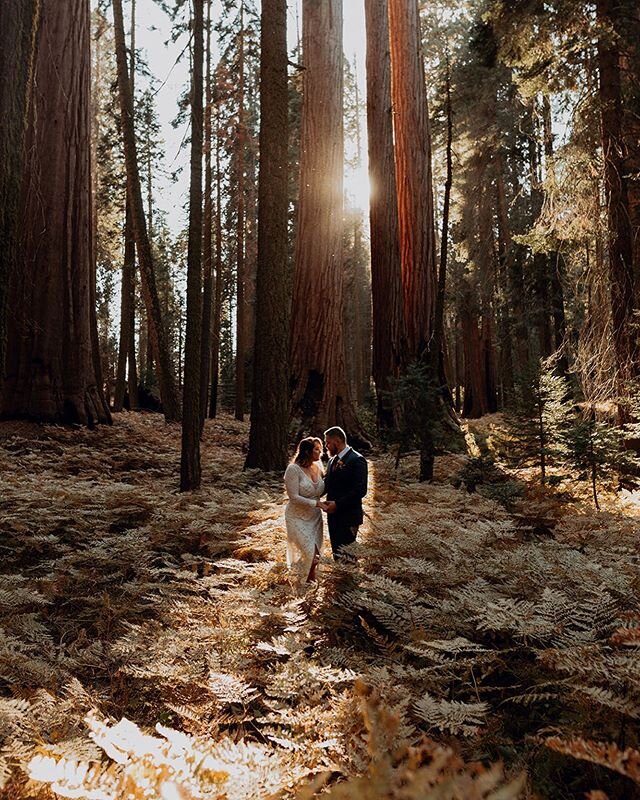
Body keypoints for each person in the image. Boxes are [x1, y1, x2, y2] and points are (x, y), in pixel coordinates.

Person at [283, 437, 325, 583]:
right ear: (307, 451)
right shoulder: (293, 469)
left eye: (321, 449)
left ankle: (309, 586)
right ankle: (303, 587)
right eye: (317, 449)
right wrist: (317, 504)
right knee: (310, 554)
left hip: (315, 518)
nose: (321, 452)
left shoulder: (318, 467)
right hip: (297, 517)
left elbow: (321, 490)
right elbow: (293, 497)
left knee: (316, 556)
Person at [323, 426, 368, 559]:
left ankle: (350, 579)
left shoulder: (357, 460)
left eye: (328, 442)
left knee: (348, 556)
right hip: (333, 516)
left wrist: (338, 504)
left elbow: (360, 490)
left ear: (337, 441)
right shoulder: (332, 461)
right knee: (337, 554)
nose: (326, 446)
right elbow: (327, 485)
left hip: (349, 516)